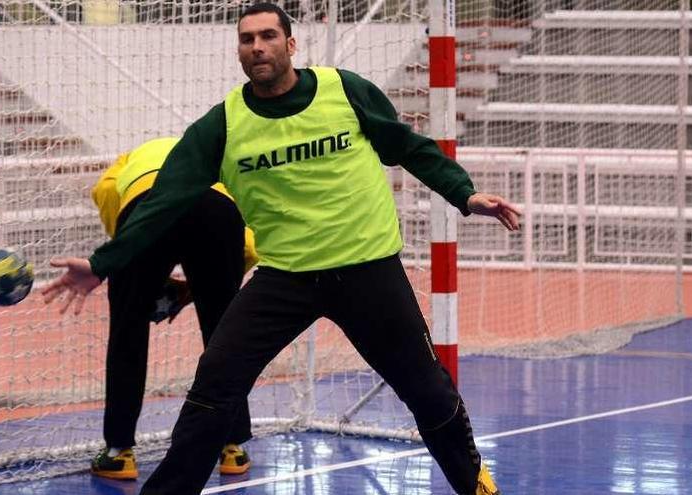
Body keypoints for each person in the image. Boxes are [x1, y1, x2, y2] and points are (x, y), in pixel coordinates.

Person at [43, 4, 520, 494]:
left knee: (428, 392)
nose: (257, 46)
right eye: (247, 39)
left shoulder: (345, 90)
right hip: (285, 278)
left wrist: (464, 193)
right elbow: (162, 203)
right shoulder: (222, 126)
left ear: (291, 45)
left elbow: (408, 147)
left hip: (368, 271)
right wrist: (103, 263)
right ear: (240, 52)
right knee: (213, 389)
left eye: (268, 36)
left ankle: (478, 488)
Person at [69, 137, 258, 480]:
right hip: (216, 210)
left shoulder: (128, 160)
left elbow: (107, 193)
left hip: (145, 206)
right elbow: (247, 247)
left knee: (128, 332)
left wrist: (131, 270)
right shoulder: (221, 168)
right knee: (225, 334)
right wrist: (205, 288)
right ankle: (233, 447)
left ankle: (118, 453)